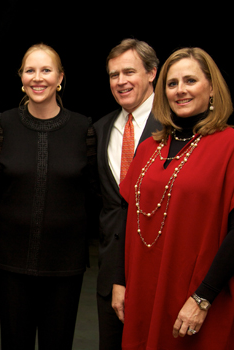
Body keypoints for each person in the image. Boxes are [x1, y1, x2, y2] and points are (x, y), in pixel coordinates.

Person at [118, 47, 234, 350]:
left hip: (197, 296)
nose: (180, 90)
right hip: (144, 294)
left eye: (190, 80)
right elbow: (126, 217)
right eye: (172, 83)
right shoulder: (151, 148)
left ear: (212, 87)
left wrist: (203, 297)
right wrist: (120, 281)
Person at [0, 43, 97, 349]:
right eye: (30, 70)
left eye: (46, 70)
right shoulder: (4, 124)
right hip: (11, 260)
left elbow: (93, 193)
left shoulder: (83, 128)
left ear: (60, 77)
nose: (38, 78)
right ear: (21, 77)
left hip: (65, 263)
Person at [93, 39, 161, 350]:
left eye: (129, 72)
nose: (121, 82)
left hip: (159, 267)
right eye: (113, 75)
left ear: (152, 73)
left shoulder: (176, 125)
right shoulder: (101, 128)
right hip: (110, 271)